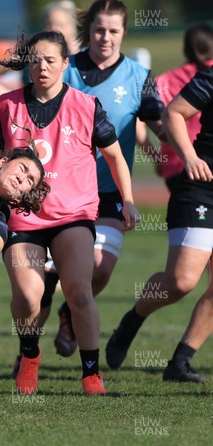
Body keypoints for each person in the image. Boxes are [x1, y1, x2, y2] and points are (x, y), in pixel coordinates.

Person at [0, 30, 139, 395]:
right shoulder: (5, 105)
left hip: (73, 215)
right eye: (35, 60)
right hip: (22, 218)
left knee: (79, 292)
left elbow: (113, 155)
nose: (42, 67)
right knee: (30, 296)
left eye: (50, 60)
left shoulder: (86, 105)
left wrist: (127, 200)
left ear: (66, 64)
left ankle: (91, 373)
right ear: (28, 65)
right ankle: (29, 354)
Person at [41, 0, 164, 359]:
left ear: (124, 32)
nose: (105, 38)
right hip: (60, 192)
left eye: (113, 31)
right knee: (43, 285)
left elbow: (155, 123)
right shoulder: (67, 69)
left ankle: (70, 312)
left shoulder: (139, 76)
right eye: (99, 30)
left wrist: (177, 147)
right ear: (87, 31)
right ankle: (27, 352)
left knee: (100, 268)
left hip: (108, 192)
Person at [105, 66, 213, 382]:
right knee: (181, 281)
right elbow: (175, 113)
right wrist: (190, 157)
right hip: (201, 188)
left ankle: (180, 362)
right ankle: (132, 320)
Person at [155, 23, 213, 192]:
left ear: (185, 51)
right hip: (207, 162)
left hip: (175, 165)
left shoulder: (162, 81)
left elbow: (138, 123)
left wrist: (157, 158)